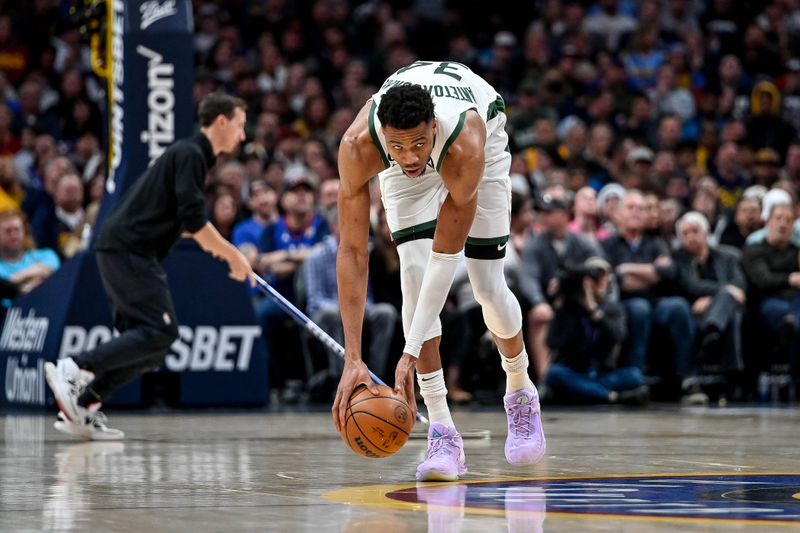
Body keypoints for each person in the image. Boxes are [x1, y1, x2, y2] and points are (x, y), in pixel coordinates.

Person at [333, 62, 546, 482]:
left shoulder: (464, 143)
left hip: (481, 136)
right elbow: (354, 252)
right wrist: (353, 356)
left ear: (433, 125)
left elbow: (445, 259)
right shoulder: (359, 146)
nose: (410, 157)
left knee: (486, 285)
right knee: (411, 275)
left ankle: (520, 389)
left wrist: (407, 354)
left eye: (417, 144)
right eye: (397, 146)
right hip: (413, 144)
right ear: (382, 136)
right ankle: (442, 429)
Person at [44, 92, 255, 440]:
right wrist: (234, 255)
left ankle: (85, 403)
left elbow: (184, 223)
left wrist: (219, 250)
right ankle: (75, 366)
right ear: (221, 122)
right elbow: (194, 217)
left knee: (152, 343)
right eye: (240, 125)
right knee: (160, 331)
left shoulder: (192, 157)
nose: (242, 136)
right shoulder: (189, 153)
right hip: (129, 250)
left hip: (127, 251)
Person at [545, 256, 647, 404]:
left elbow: (618, 335)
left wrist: (594, 311)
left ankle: (586, 392)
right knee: (554, 374)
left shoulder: (613, 309)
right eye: (594, 278)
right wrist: (561, 306)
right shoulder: (570, 308)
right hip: (576, 371)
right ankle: (611, 397)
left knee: (635, 376)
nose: (598, 282)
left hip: (602, 373)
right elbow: (553, 342)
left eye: (602, 277)